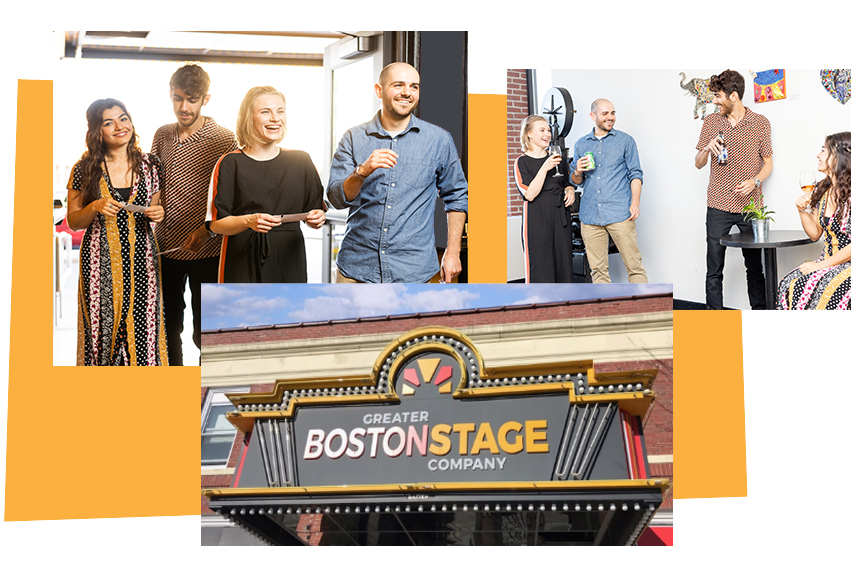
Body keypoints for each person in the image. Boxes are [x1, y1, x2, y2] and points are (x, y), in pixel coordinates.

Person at [327, 62, 468, 283]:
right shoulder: (353, 138)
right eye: (398, 85)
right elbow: (336, 199)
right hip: (357, 268)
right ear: (379, 90)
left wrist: (452, 253)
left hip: (414, 270)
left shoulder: (439, 140)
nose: (407, 92)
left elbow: (457, 196)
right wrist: (362, 172)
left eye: (414, 87)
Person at [65, 98, 168, 366]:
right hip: (99, 264)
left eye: (123, 118)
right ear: (96, 131)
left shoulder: (151, 165)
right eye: (108, 122)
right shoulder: (83, 169)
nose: (119, 126)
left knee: (144, 332)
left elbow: (154, 210)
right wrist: (95, 206)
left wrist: (158, 212)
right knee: (101, 332)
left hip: (142, 261)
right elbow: (74, 221)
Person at [151, 63, 238, 366]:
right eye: (177, 98)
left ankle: (204, 394)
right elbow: (155, 182)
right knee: (168, 326)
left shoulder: (224, 139)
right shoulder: (162, 134)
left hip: (208, 249)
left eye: (191, 99)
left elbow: (229, 198)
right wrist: (154, 204)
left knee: (207, 331)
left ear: (206, 99)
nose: (183, 107)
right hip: (166, 248)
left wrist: (205, 231)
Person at [206, 86, 326, 283]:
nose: (275, 118)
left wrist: (316, 218)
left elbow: (315, 213)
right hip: (241, 258)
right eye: (265, 112)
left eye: (280, 111)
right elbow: (216, 224)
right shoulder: (229, 163)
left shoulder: (302, 161)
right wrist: (248, 221)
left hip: (290, 258)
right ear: (248, 117)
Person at [695, 69, 772, 310]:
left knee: (755, 267)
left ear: (734, 96)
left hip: (751, 208)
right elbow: (698, 163)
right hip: (718, 204)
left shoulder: (761, 123)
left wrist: (755, 181)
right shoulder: (711, 122)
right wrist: (706, 148)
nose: (714, 101)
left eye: (718, 96)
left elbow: (768, 163)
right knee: (714, 269)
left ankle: (759, 314)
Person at [570, 99, 648, 284]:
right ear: (593, 116)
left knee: (634, 267)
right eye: (605, 114)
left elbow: (635, 174)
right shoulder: (581, 144)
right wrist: (577, 171)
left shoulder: (625, 141)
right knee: (598, 272)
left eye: (612, 113)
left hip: (620, 213)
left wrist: (635, 203)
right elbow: (576, 182)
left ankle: (645, 311)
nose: (610, 117)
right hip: (590, 216)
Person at [778, 132, 851, 310]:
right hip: (827, 259)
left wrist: (820, 266)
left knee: (831, 288)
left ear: (838, 156)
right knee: (788, 283)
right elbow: (815, 234)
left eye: (823, 150)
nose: (818, 155)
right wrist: (802, 210)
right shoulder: (822, 188)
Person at [513, 115, 576, 282]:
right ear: (529, 134)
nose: (547, 134)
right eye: (542, 130)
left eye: (548, 130)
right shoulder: (521, 162)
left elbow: (566, 184)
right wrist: (544, 167)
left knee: (564, 264)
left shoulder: (559, 159)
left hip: (560, 216)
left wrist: (570, 191)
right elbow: (529, 194)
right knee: (540, 265)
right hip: (537, 218)